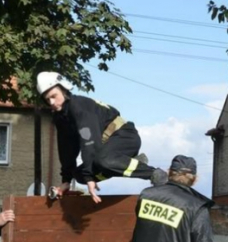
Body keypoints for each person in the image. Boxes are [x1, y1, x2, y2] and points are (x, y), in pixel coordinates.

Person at [36, 71, 167, 204]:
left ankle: (155, 174)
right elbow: (66, 151)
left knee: (102, 161)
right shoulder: (61, 118)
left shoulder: (79, 106)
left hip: (124, 136)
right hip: (105, 148)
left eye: (54, 96)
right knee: (79, 175)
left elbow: (89, 142)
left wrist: (90, 179)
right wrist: (66, 181)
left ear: (63, 89)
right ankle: (129, 162)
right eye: (47, 99)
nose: (51, 102)